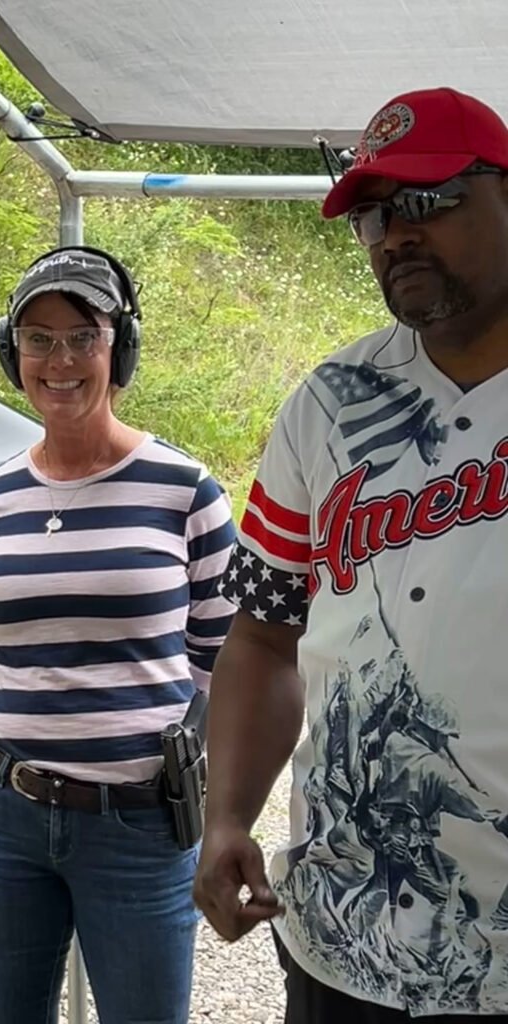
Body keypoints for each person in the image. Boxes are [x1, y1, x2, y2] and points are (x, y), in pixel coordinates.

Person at [193, 85, 508, 1021]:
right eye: (374, 216)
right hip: (345, 936)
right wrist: (226, 816)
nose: (396, 235)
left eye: (428, 200)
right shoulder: (328, 403)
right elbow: (262, 635)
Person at [0, 245, 236, 1024]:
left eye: (84, 336)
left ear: (122, 348)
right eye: (38, 339)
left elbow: (224, 658)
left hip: (140, 823)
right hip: (5, 812)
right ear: (12, 352)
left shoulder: (186, 491)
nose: (61, 360)